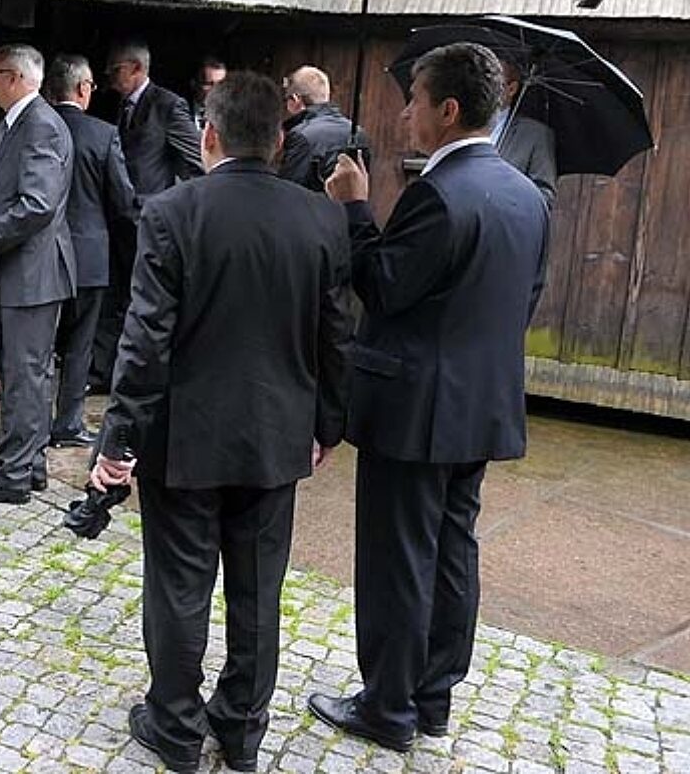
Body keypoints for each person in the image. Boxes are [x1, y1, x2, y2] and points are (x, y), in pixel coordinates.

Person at [91, 71, 353, 774]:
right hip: (276, 432)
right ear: (279, 140)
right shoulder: (321, 218)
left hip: (186, 437)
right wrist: (329, 424)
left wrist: (119, 440)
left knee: (179, 585)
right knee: (259, 589)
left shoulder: (172, 211)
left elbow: (144, 340)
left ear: (209, 134)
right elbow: (336, 334)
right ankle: (241, 730)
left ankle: (176, 728)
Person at [308, 42, 549, 753]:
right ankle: (433, 697)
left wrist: (354, 209)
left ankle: (388, 707)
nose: (403, 113)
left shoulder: (437, 195)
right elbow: (524, 301)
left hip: (415, 409)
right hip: (481, 405)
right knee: (452, 552)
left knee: (400, 558)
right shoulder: (528, 197)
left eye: (413, 99)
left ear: (447, 109)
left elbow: (382, 287)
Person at [0, 44, 75, 505]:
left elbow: (38, 204)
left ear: (15, 78)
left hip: (32, 271)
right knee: (28, 372)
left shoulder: (39, 124)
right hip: (25, 270)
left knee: (23, 374)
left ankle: (13, 476)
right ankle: (28, 463)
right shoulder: (19, 123)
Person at [90, 38, 203, 388]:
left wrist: (172, 212)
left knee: (144, 299)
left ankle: (140, 376)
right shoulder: (113, 105)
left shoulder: (168, 105)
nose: (110, 78)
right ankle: (101, 373)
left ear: (137, 68)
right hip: (113, 219)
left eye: (116, 70)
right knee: (110, 296)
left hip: (148, 220)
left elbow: (195, 164)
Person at [46, 53, 134, 449]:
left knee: (38, 344)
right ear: (83, 88)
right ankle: (67, 422)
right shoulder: (103, 134)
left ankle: (30, 423)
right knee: (80, 343)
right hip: (88, 254)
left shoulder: (34, 129)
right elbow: (122, 201)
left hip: (40, 252)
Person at [279, 65, 371, 190]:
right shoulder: (358, 133)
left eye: (286, 100)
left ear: (296, 99)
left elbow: (288, 188)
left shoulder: (301, 135)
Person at [493, 61, 558, 208]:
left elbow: (544, 196)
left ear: (511, 89)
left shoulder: (535, 135)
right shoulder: (462, 123)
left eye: (493, 84)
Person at [189, 56, 227, 129]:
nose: (217, 90)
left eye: (221, 84)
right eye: (209, 84)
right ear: (193, 83)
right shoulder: (177, 111)